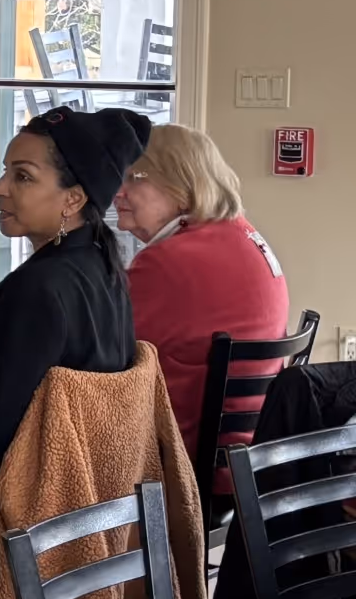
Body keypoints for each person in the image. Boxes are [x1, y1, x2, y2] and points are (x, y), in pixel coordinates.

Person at [0, 107, 149, 571]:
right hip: (80, 511)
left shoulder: (41, 292)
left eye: (23, 177)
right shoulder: (100, 269)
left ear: (73, 198)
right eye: (4, 173)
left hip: (5, 523)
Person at [115, 123, 290, 468]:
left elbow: (107, 353)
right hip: (250, 455)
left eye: (135, 178)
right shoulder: (244, 235)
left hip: (186, 463)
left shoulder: (168, 262)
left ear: (181, 187)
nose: (118, 193)